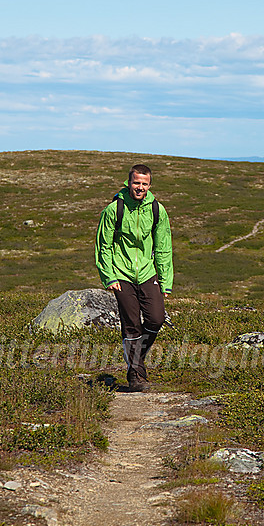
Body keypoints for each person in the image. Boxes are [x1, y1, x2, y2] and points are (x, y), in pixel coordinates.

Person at [95, 164, 173, 392]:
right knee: (132, 325)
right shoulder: (114, 210)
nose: (140, 187)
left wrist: (165, 281)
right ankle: (135, 376)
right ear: (128, 182)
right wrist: (109, 277)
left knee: (156, 319)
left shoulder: (157, 209)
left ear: (150, 185)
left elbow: (163, 247)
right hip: (122, 274)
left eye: (144, 184)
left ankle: (136, 360)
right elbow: (103, 245)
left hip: (148, 273)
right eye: (136, 183)